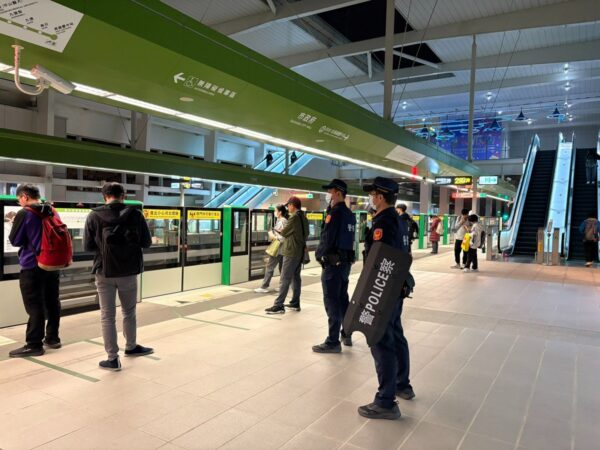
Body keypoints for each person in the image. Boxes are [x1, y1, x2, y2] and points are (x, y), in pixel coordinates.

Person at [358, 177, 415, 420]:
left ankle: (386, 401)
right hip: (396, 288)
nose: (371, 198)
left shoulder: (383, 221)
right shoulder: (399, 221)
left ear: (380, 197)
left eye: (372, 195)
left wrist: (371, 291)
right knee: (396, 334)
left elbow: (379, 260)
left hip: (383, 290)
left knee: (381, 339)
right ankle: (402, 384)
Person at [84, 182, 154, 371]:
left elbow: (88, 246)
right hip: (128, 271)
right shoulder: (135, 214)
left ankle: (112, 358)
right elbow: (146, 243)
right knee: (129, 312)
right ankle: (130, 347)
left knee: (107, 316)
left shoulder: (93, 215)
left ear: (104, 196)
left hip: (104, 271)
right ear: (123, 196)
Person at [8, 184, 62, 357]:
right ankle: (52, 338)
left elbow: (15, 240)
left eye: (19, 199)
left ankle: (34, 344)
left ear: (24, 196)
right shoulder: (52, 210)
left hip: (32, 265)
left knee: (34, 304)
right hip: (52, 264)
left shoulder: (25, 213)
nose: (19, 202)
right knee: (52, 301)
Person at [313, 179, 356, 353]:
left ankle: (333, 341)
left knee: (331, 301)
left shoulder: (335, 213)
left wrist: (318, 255)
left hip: (333, 263)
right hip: (345, 263)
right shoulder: (350, 214)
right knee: (342, 299)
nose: (328, 195)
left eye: (330, 192)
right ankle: (347, 333)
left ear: (338, 193)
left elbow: (327, 237)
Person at [265, 196, 308, 314]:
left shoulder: (294, 217)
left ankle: (278, 305)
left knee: (284, 278)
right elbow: (306, 233)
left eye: (288, 205)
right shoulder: (303, 217)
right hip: (299, 251)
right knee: (296, 277)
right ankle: (295, 303)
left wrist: (275, 232)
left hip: (290, 251)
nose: (288, 208)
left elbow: (283, 233)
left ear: (292, 205)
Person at [255, 205, 288, 293]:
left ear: (280, 212)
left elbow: (281, 237)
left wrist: (272, 236)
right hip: (284, 249)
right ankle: (282, 287)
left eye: (275, 210)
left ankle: (264, 287)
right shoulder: (283, 221)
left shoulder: (282, 221)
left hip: (278, 249)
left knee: (270, 267)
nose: (274, 212)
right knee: (282, 269)